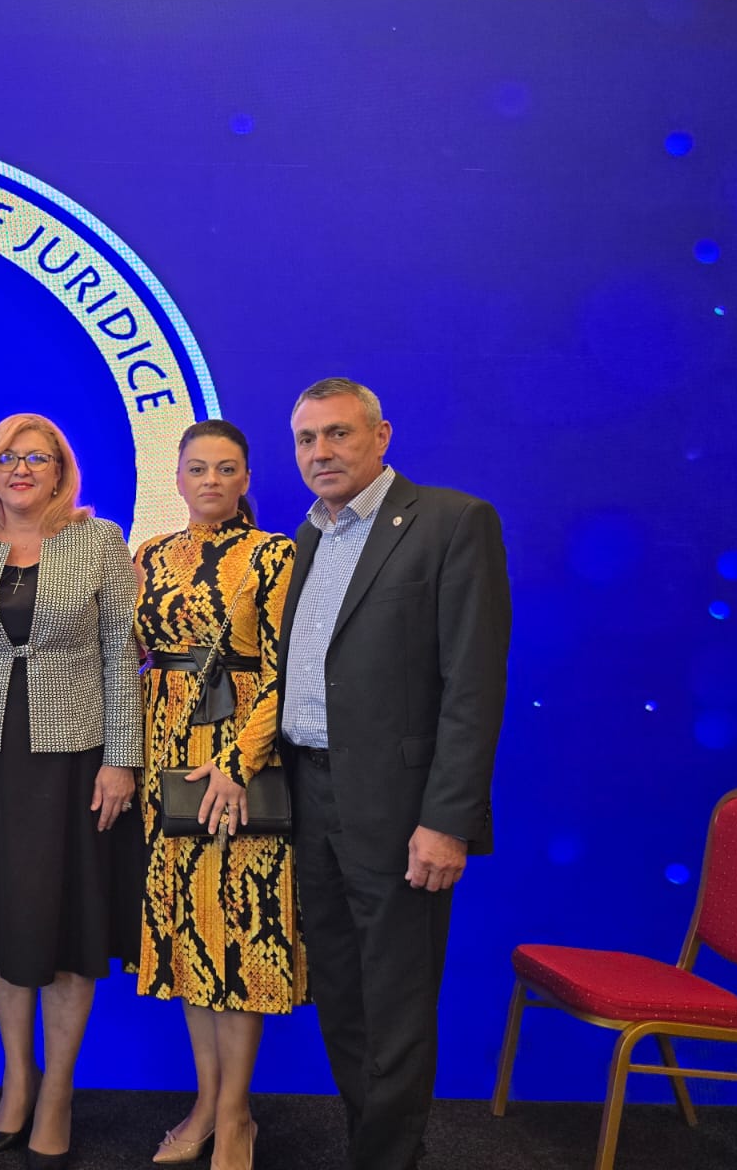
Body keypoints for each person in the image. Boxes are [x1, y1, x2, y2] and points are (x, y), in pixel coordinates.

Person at [277, 378, 510, 1170]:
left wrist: (447, 820)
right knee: (341, 997)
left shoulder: (452, 523)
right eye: (306, 439)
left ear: (381, 436)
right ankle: (371, 1149)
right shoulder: (307, 538)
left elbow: (473, 686)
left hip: (403, 812)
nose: (320, 452)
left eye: (338, 433)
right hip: (311, 800)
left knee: (398, 1006)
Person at [0, 413, 143, 1170]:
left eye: (38, 458)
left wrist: (123, 760)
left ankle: (58, 1095)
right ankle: (17, 1081)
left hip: (76, 761)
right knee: (2, 920)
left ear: (60, 472)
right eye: (7, 458)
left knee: (67, 926)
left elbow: (120, 656)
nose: (21, 469)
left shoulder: (100, 540)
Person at [133, 420, 305, 1170]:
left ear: (245, 479)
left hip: (237, 761)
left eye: (225, 468)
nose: (210, 480)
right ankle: (206, 1104)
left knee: (236, 936)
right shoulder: (150, 555)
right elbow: (133, 652)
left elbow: (285, 668)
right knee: (190, 939)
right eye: (197, 468)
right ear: (177, 477)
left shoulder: (273, 554)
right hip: (161, 756)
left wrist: (238, 761)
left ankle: (237, 1117)